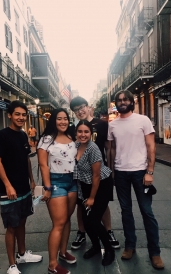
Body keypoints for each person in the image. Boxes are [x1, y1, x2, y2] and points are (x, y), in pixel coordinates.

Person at [108, 90, 164, 270]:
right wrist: (112, 171)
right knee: (126, 211)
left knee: (147, 212)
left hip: (140, 172)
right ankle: (130, 246)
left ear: (131, 102)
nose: (123, 102)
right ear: (116, 103)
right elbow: (112, 149)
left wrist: (150, 171)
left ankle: (154, 252)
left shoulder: (143, 120)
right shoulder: (113, 124)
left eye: (126, 99)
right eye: (119, 100)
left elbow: (151, 146)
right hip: (121, 172)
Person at [0, 101, 42, 274]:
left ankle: (22, 254)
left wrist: (32, 180)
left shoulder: (23, 136)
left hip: (24, 187)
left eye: (23, 115)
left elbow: (27, 159)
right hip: (10, 190)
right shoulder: (2, 135)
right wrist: (8, 185)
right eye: (17, 114)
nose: (21, 118)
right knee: (11, 226)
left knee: (22, 221)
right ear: (9, 115)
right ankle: (12, 264)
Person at [70, 96, 119, 250]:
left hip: (100, 172)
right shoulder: (73, 128)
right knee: (81, 204)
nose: (80, 111)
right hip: (82, 175)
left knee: (102, 204)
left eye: (82, 107)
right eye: (76, 110)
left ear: (88, 106)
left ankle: (108, 230)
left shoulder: (103, 125)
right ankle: (81, 232)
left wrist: (112, 170)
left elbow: (109, 148)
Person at [37, 108, 77, 274]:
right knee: (58, 223)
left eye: (65, 118)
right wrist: (47, 187)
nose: (63, 122)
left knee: (67, 219)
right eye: (59, 119)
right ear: (53, 120)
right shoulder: (46, 140)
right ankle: (52, 265)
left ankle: (62, 252)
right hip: (55, 182)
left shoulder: (71, 137)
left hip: (72, 182)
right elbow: (43, 165)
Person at [74, 120, 115, 266]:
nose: (83, 134)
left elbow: (96, 175)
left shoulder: (93, 148)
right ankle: (96, 247)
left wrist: (91, 198)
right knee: (86, 221)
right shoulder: (76, 145)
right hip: (85, 186)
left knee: (94, 220)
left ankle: (109, 250)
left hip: (101, 185)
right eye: (80, 131)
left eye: (86, 132)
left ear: (91, 133)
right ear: (76, 132)